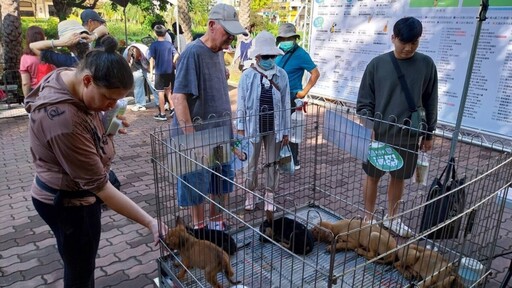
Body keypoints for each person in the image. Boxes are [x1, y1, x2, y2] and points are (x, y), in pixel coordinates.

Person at [24, 36, 165, 287]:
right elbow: (100, 186)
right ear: (88, 81)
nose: (109, 106)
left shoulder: (72, 76)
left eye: (116, 102)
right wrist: (150, 222)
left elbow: (90, 124)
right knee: (80, 270)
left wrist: (107, 126)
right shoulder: (63, 121)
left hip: (65, 191)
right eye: (108, 99)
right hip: (68, 202)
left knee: (80, 262)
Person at [356, 17, 438, 237]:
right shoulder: (377, 64)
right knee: (372, 175)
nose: (409, 48)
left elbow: (430, 100)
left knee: (399, 176)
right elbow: (364, 101)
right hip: (379, 133)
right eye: (404, 42)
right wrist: (368, 124)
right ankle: (368, 218)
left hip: (409, 133)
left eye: (415, 42)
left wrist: (429, 133)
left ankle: (392, 218)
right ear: (393, 38)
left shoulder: (426, 64)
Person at [171, 3, 247, 230]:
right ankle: (199, 226)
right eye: (228, 33)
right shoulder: (192, 53)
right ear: (212, 25)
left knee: (220, 181)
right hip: (198, 135)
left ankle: (215, 222)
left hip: (219, 132)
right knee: (196, 182)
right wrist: (192, 139)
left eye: (233, 35)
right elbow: (178, 98)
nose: (230, 40)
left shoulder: (218, 52)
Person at [236, 31, 291, 211]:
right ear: (257, 56)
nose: (269, 59)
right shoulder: (247, 76)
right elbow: (242, 103)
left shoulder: (281, 75)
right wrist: (241, 127)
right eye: (265, 56)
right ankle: (250, 193)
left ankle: (269, 194)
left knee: (272, 162)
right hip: (253, 126)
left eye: (271, 56)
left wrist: (286, 131)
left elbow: (285, 104)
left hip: (274, 126)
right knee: (250, 162)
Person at [276, 22, 320, 170]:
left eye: (289, 38)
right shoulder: (276, 52)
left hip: (292, 97)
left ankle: (293, 161)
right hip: (277, 97)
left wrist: (304, 92)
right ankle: (279, 159)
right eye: (283, 38)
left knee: (291, 131)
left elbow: (315, 73)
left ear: (295, 38)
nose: (286, 41)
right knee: (278, 128)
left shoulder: (301, 54)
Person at [29, 20, 108, 68]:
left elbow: (33, 46)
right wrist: (93, 36)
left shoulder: (67, 61)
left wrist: (61, 42)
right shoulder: (98, 52)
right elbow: (104, 29)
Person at [149, 24, 179, 121]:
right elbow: (177, 55)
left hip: (159, 72)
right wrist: (172, 62)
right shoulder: (169, 44)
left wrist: (150, 72)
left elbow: (151, 59)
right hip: (169, 71)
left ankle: (162, 114)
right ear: (165, 33)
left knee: (160, 93)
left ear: (155, 33)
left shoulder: (154, 45)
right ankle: (173, 108)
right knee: (168, 90)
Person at [19, 26, 54, 97]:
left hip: (36, 93)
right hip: (53, 90)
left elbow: (25, 83)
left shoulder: (25, 58)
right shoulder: (52, 55)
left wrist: (27, 98)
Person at [124, 44, 156, 111]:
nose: (137, 58)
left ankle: (161, 102)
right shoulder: (126, 54)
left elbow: (151, 60)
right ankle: (140, 104)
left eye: (138, 56)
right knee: (137, 83)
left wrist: (150, 73)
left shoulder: (146, 51)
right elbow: (126, 64)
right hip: (135, 65)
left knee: (152, 82)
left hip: (147, 63)